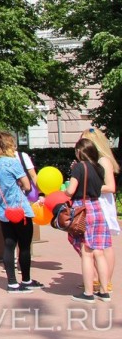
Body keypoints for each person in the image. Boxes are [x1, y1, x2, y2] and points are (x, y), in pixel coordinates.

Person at [0, 131, 41, 293]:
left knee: (9, 245)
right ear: (8, 145)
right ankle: (26, 280)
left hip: (4, 210)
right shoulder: (12, 162)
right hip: (19, 209)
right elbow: (27, 185)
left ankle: (11, 282)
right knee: (24, 246)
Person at [66, 137, 113, 303]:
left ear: (79, 152)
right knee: (99, 252)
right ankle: (104, 291)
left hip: (83, 209)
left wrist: (64, 190)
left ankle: (88, 293)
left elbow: (71, 190)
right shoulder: (99, 168)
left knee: (87, 253)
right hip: (98, 209)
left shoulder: (79, 167)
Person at [81, 127, 118, 295]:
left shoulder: (103, 161)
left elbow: (110, 187)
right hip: (94, 204)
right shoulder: (92, 161)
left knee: (104, 246)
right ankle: (97, 279)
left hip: (102, 206)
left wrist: (90, 185)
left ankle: (106, 281)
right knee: (94, 246)